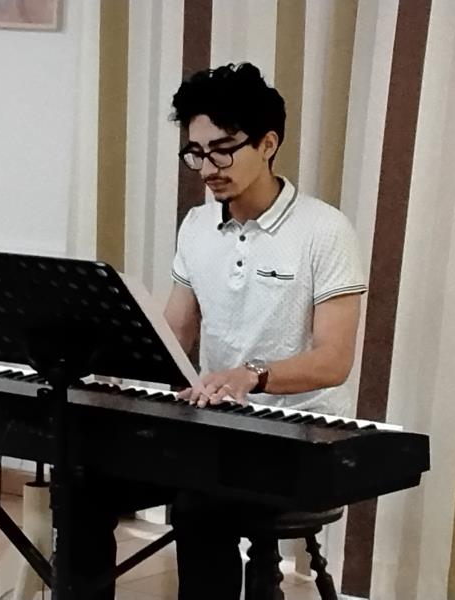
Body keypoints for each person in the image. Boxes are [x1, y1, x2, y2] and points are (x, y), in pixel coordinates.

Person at [72, 62, 367, 600]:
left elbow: (334, 360)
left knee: (199, 501)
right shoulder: (197, 225)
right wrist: (112, 364)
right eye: (196, 152)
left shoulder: (325, 230)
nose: (208, 168)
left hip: (301, 435)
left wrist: (251, 376)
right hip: (216, 427)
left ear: (268, 143)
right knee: (85, 484)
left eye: (223, 150)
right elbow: (174, 336)